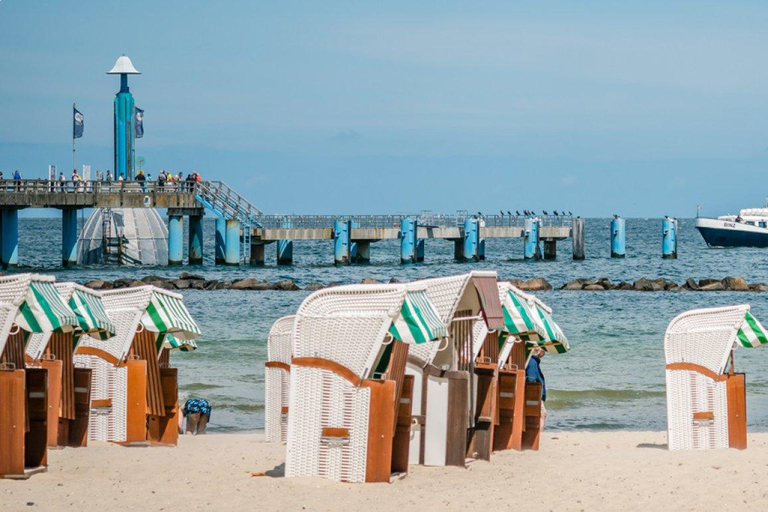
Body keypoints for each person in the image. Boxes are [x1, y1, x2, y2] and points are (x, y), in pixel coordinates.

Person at [526, 347, 547, 430]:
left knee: (540, 413)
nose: (544, 353)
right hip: (535, 392)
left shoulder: (533, 361)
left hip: (534, 392)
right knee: (542, 413)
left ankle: (538, 432)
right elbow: (531, 378)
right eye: (544, 351)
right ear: (538, 351)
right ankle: (539, 433)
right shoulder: (533, 361)